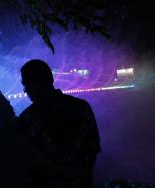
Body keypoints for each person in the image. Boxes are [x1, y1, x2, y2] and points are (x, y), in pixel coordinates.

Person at [0, 91, 84, 188]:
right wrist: (75, 173)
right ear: (5, 113)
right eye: (9, 106)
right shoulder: (15, 141)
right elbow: (47, 167)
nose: (11, 105)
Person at [19, 59, 101, 188]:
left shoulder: (27, 119)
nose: (25, 90)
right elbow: (93, 148)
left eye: (27, 84)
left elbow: (29, 161)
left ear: (41, 81)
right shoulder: (82, 108)